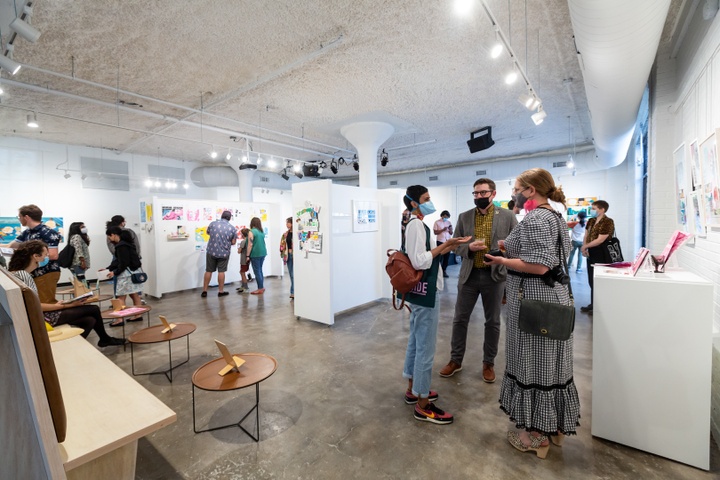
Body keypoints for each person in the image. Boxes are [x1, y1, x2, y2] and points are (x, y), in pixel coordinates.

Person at [484, 168, 580, 458]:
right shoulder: (555, 216)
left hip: (535, 301)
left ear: (530, 190)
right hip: (552, 298)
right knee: (553, 365)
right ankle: (556, 428)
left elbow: (539, 266)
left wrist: (502, 260)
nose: (512, 192)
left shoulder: (537, 218)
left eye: (516, 187)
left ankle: (535, 436)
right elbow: (545, 255)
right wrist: (509, 248)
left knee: (533, 364)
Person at [401, 185, 471, 425]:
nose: (430, 202)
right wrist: (445, 247)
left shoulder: (418, 225)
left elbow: (424, 254)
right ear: (413, 203)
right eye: (426, 199)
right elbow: (419, 260)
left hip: (421, 292)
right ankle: (422, 403)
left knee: (417, 341)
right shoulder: (416, 225)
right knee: (425, 348)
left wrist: (448, 245)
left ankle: (414, 388)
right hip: (426, 293)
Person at [439, 178, 517, 383]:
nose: (479, 197)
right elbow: (454, 245)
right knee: (459, 319)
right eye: (476, 193)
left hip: (495, 276)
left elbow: (516, 244)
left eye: (483, 193)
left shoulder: (508, 216)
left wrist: (502, 251)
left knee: (492, 321)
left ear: (493, 194)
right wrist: (468, 249)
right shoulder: (464, 217)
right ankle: (455, 360)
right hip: (469, 276)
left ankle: (488, 363)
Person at [9, 240, 125, 347]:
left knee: (90, 320)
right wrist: (65, 305)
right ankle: (105, 339)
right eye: (45, 255)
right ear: (35, 256)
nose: (47, 257)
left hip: (36, 316)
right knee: (93, 309)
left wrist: (65, 305)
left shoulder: (15, 273)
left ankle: (77, 346)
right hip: (42, 318)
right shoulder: (24, 275)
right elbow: (35, 306)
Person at [8, 204, 62, 303]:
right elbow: (11, 245)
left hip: (46, 272)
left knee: (45, 302)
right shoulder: (27, 232)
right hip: (33, 273)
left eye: (19, 217)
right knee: (36, 302)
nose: (19, 219)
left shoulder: (48, 232)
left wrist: (34, 260)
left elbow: (53, 255)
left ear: (26, 217)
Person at [104, 226, 143, 326]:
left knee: (120, 297)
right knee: (134, 294)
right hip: (133, 272)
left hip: (126, 275)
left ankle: (119, 319)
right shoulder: (127, 244)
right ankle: (138, 315)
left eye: (109, 237)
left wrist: (115, 272)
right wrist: (108, 268)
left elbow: (122, 262)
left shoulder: (121, 246)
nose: (109, 239)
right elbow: (119, 260)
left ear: (113, 235)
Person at [580, 200, 614, 314]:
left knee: (599, 281)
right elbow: (586, 235)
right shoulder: (591, 220)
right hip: (591, 252)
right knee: (591, 280)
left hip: (601, 253)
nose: (592, 210)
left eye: (594, 208)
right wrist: (585, 247)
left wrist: (585, 246)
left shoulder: (607, 222)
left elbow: (600, 239)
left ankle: (599, 307)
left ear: (602, 209)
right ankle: (593, 304)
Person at [201, 211, 236, 297]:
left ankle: (204, 291)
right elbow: (233, 242)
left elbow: (208, 232)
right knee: (221, 271)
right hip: (224, 253)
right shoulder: (232, 228)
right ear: (229, 218)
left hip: (211, 251)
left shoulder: (213, 224)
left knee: (208, 270)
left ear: (221, 216)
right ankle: (221, 291)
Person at [247, 217, 267, 295]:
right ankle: (261, 287)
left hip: (255, 254)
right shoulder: (261, 232)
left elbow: (250, 244)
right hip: (263, 252)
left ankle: (260, 288)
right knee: (260, 270)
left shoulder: (251, 232)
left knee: (257, 271)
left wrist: (247, 256)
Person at [433, 211, 454, 278]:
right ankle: (437, 270)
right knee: (440, 256)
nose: (446, 218)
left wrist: (450, 230)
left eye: (447, 217)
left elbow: (451, 233)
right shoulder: (437, 222)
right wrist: (442, 230)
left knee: (446, 257)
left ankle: (444, 270)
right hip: (440, 241)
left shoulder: (449, 223)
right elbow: (435, 232)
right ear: (442, 215)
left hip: (448, 241)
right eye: (445, 217)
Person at [280, 217, 294, 299]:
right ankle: (293, 291)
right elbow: (282, 245)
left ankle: (293, 291)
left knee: (294, 274)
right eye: (286, 222)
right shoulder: (285, 234)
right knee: (291, 274)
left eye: (288, 222)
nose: (287, 224)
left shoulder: (297, 233)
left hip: (295, 256)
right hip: (288, 256)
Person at [236, 228, 251, 293]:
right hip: (247, 259)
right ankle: (243, 286)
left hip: (243, 260)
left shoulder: (243, 242)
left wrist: (239, 248)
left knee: (242, 273)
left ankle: (246, 287)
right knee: (242, 272)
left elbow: (239, 251)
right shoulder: (249, 241)